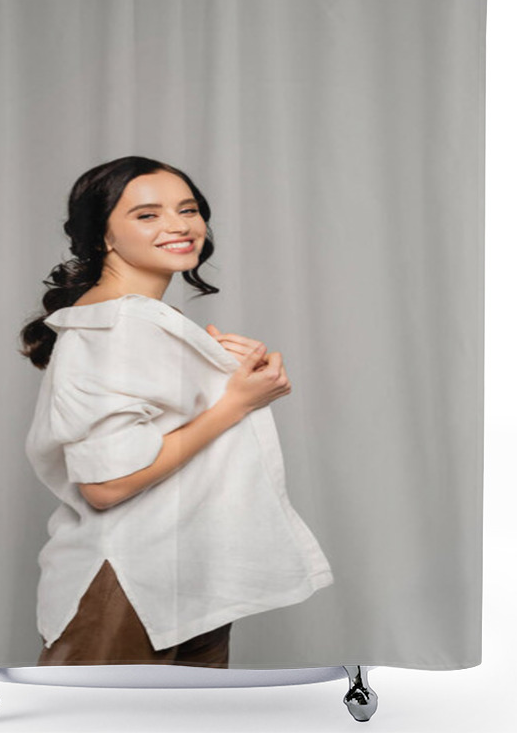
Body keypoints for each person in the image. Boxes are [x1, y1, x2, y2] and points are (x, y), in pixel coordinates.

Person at [19, 155, 334, 667]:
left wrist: (229, 382)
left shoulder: (146, 320)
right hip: (129, 581)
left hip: (184, 575)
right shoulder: (115, 325)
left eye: (188, 209)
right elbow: (107, 486)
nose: (178, 225)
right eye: (147, 215)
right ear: (104, 237)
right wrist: (235, 404)